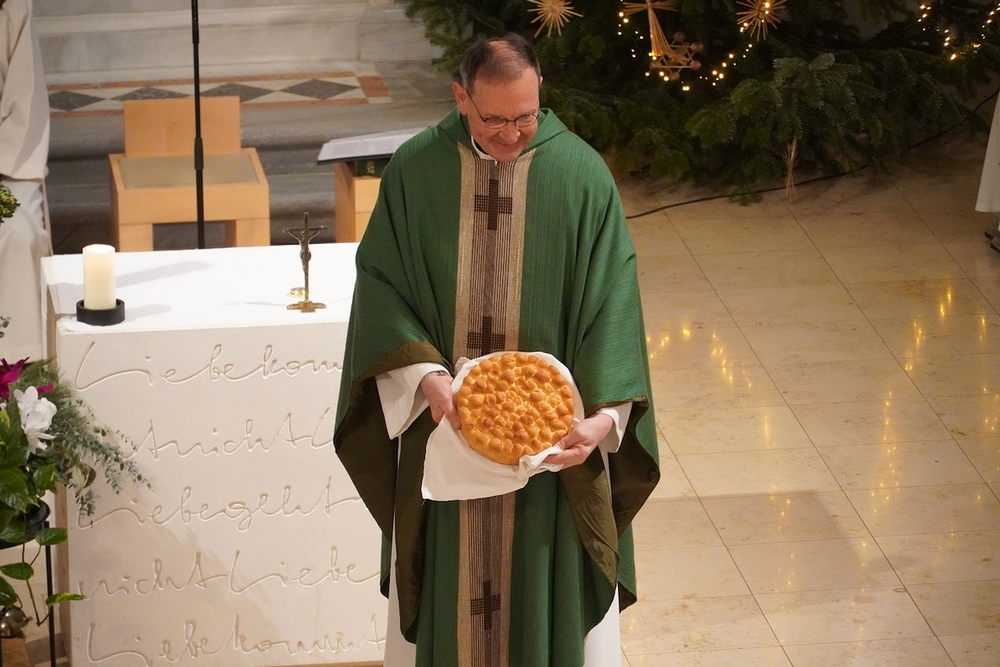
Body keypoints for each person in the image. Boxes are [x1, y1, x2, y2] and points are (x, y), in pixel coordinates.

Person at [335, 34, 659, 667]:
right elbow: (380, 284)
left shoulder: (580, 173)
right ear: (461, 98)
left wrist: (602, 420)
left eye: (526, 117)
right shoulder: (415, 171)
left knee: (540, 590)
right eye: (495, 119)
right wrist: (425, 377)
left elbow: (614, 300)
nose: (512, 134)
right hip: (446, 430)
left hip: (551, 451)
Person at [0, 0, 51, 361]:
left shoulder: (12, 6)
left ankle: (16, 372)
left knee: (18, 232)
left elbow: (25, 96)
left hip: (6, 167)